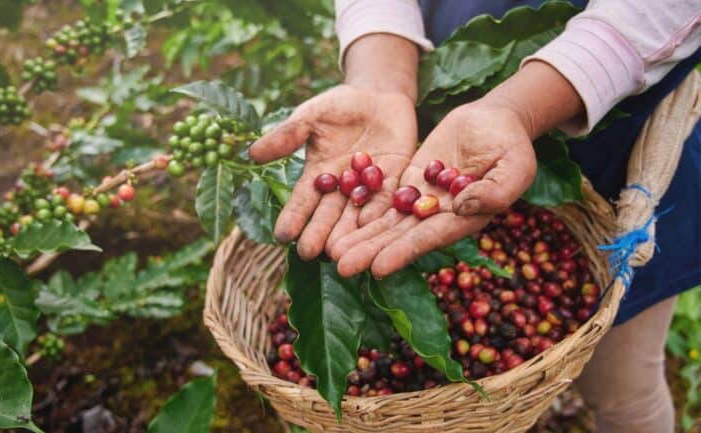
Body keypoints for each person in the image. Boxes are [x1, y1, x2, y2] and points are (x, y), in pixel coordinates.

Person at [249, 1, 701, 432]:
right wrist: (380, 77)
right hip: (437, 116)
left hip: (620, 131)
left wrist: (519, 108)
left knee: (626, 391)